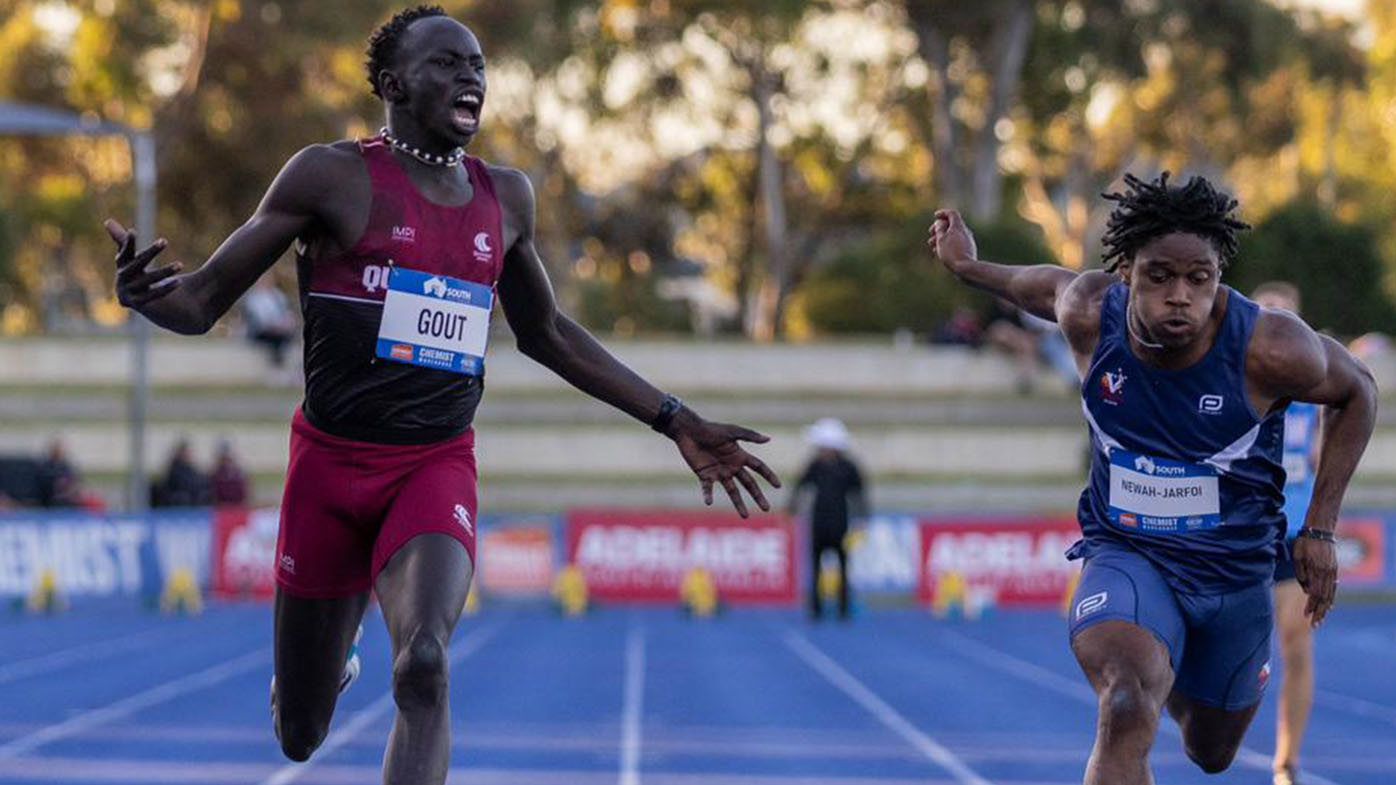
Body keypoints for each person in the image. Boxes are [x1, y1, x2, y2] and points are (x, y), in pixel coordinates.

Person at [103, 6, 779, 784]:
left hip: (431, 465)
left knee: (424, 663)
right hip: (327, 468)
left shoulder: (507, 199)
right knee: (299, 733)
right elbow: (200, 301)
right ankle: (323, 664)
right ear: (393, 84)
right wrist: (144, 296)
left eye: (479, 65)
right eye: (448, 64)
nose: (472, 77)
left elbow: (549, 333)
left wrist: (675, 419)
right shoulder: (329, 176)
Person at [929, 172, 1377, 784]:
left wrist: (1320, 529)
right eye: (1158, 276)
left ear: (1220, 276)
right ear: (1125, 273)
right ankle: (1152, 659)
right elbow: (1033, 285)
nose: (1179, 297)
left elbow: (1359, 391)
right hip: (1128, 551)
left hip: (1233, 570)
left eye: (1200, 279)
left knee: (1210, 751)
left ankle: (1181, 665)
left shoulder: (1269, 347)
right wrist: (970, 269)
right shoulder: (1091, 311)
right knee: (1125, 702)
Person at [1251, 282, 1321, 785]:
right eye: (1268, 313)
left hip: (1294, 530)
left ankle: (1286, 761)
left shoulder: (1317, 386)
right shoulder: (1234, 380)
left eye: (1287, 315)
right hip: (1241, 530)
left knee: (1295, 643)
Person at [786, 418, 867, 620]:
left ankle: (843, 608)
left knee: (843, 567)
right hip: (819, 522)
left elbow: (858, 495)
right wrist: (792, 508)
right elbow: (801, 486)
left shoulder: (849, 467)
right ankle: (816, 608)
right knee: (816, 567)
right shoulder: (815, 465)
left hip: (841, 523)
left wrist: (861, 519)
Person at [242, 275, 298, 371]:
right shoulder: (253, 298)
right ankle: (277, 368)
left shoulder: (278, 295)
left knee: (286, 337)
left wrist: (287, 323)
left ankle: (287, 369)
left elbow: (286, 313)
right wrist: (274, 326)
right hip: (259, 330)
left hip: (279, 329)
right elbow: (259, 320)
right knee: (277, 338)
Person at [152, 438, 211, 508]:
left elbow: (197, 480)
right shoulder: (175, 468)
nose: (188, 454)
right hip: (179, 500)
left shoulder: (190, 468)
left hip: (191, 498)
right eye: (185, 452)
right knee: (184, 498)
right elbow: (181, 483)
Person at [210, 439, 251, 507]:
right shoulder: (215, 474)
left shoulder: (238, 474)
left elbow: (245, 495)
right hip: (220, 509)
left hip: (236, 509)